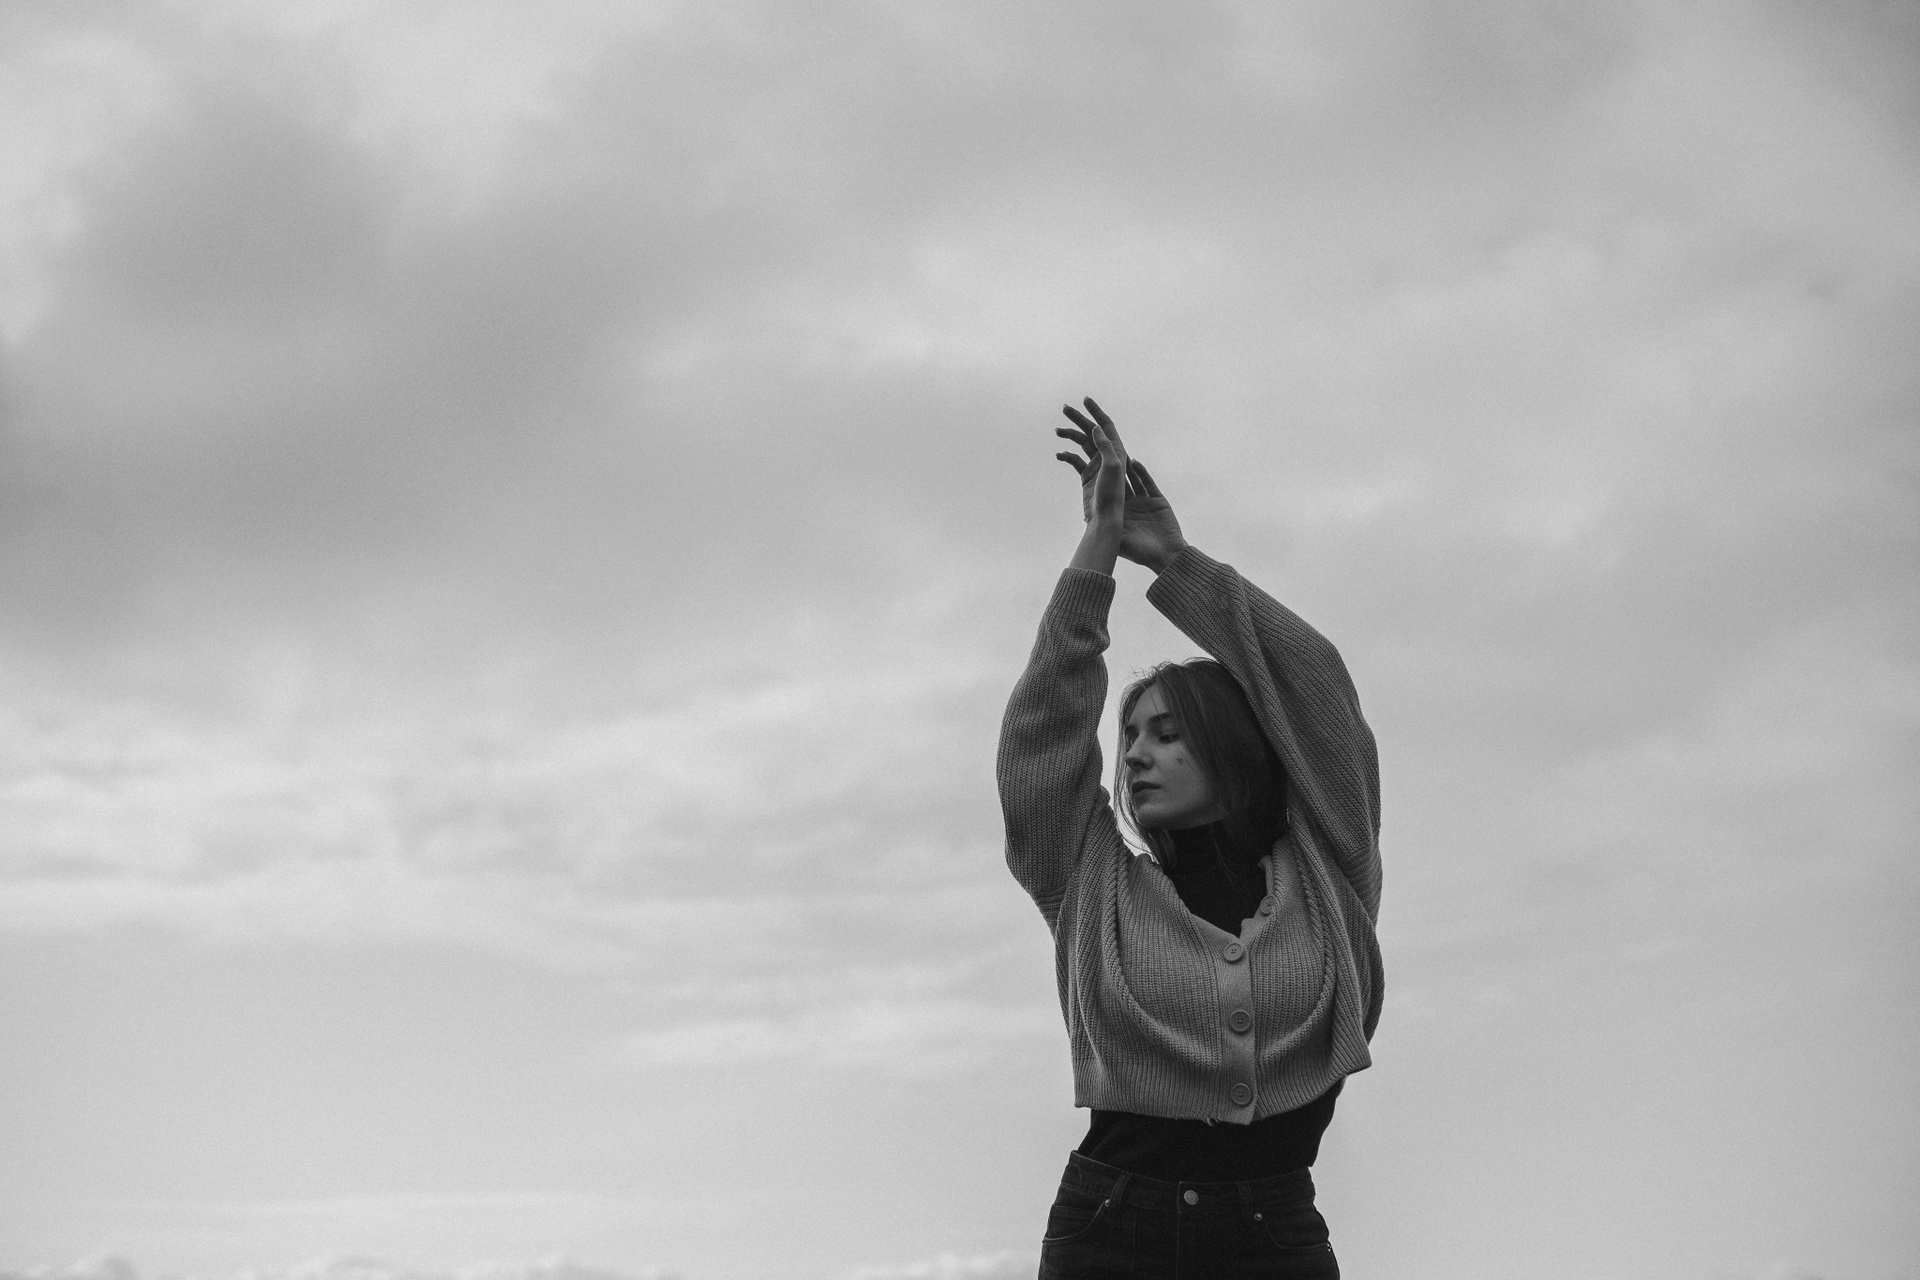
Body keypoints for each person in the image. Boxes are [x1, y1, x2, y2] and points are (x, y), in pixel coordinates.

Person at [997, 398, 1383, 1278]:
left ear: (1231, 746)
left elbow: (1318, 691)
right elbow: (1039, 744)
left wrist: (1173, 560)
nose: (1136, 754)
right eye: (1130, 736)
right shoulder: (1092, 882)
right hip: (1109, 1234)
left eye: (1168, 734)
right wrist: (1095, 552)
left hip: (1274, 1236)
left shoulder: (1330, 864)